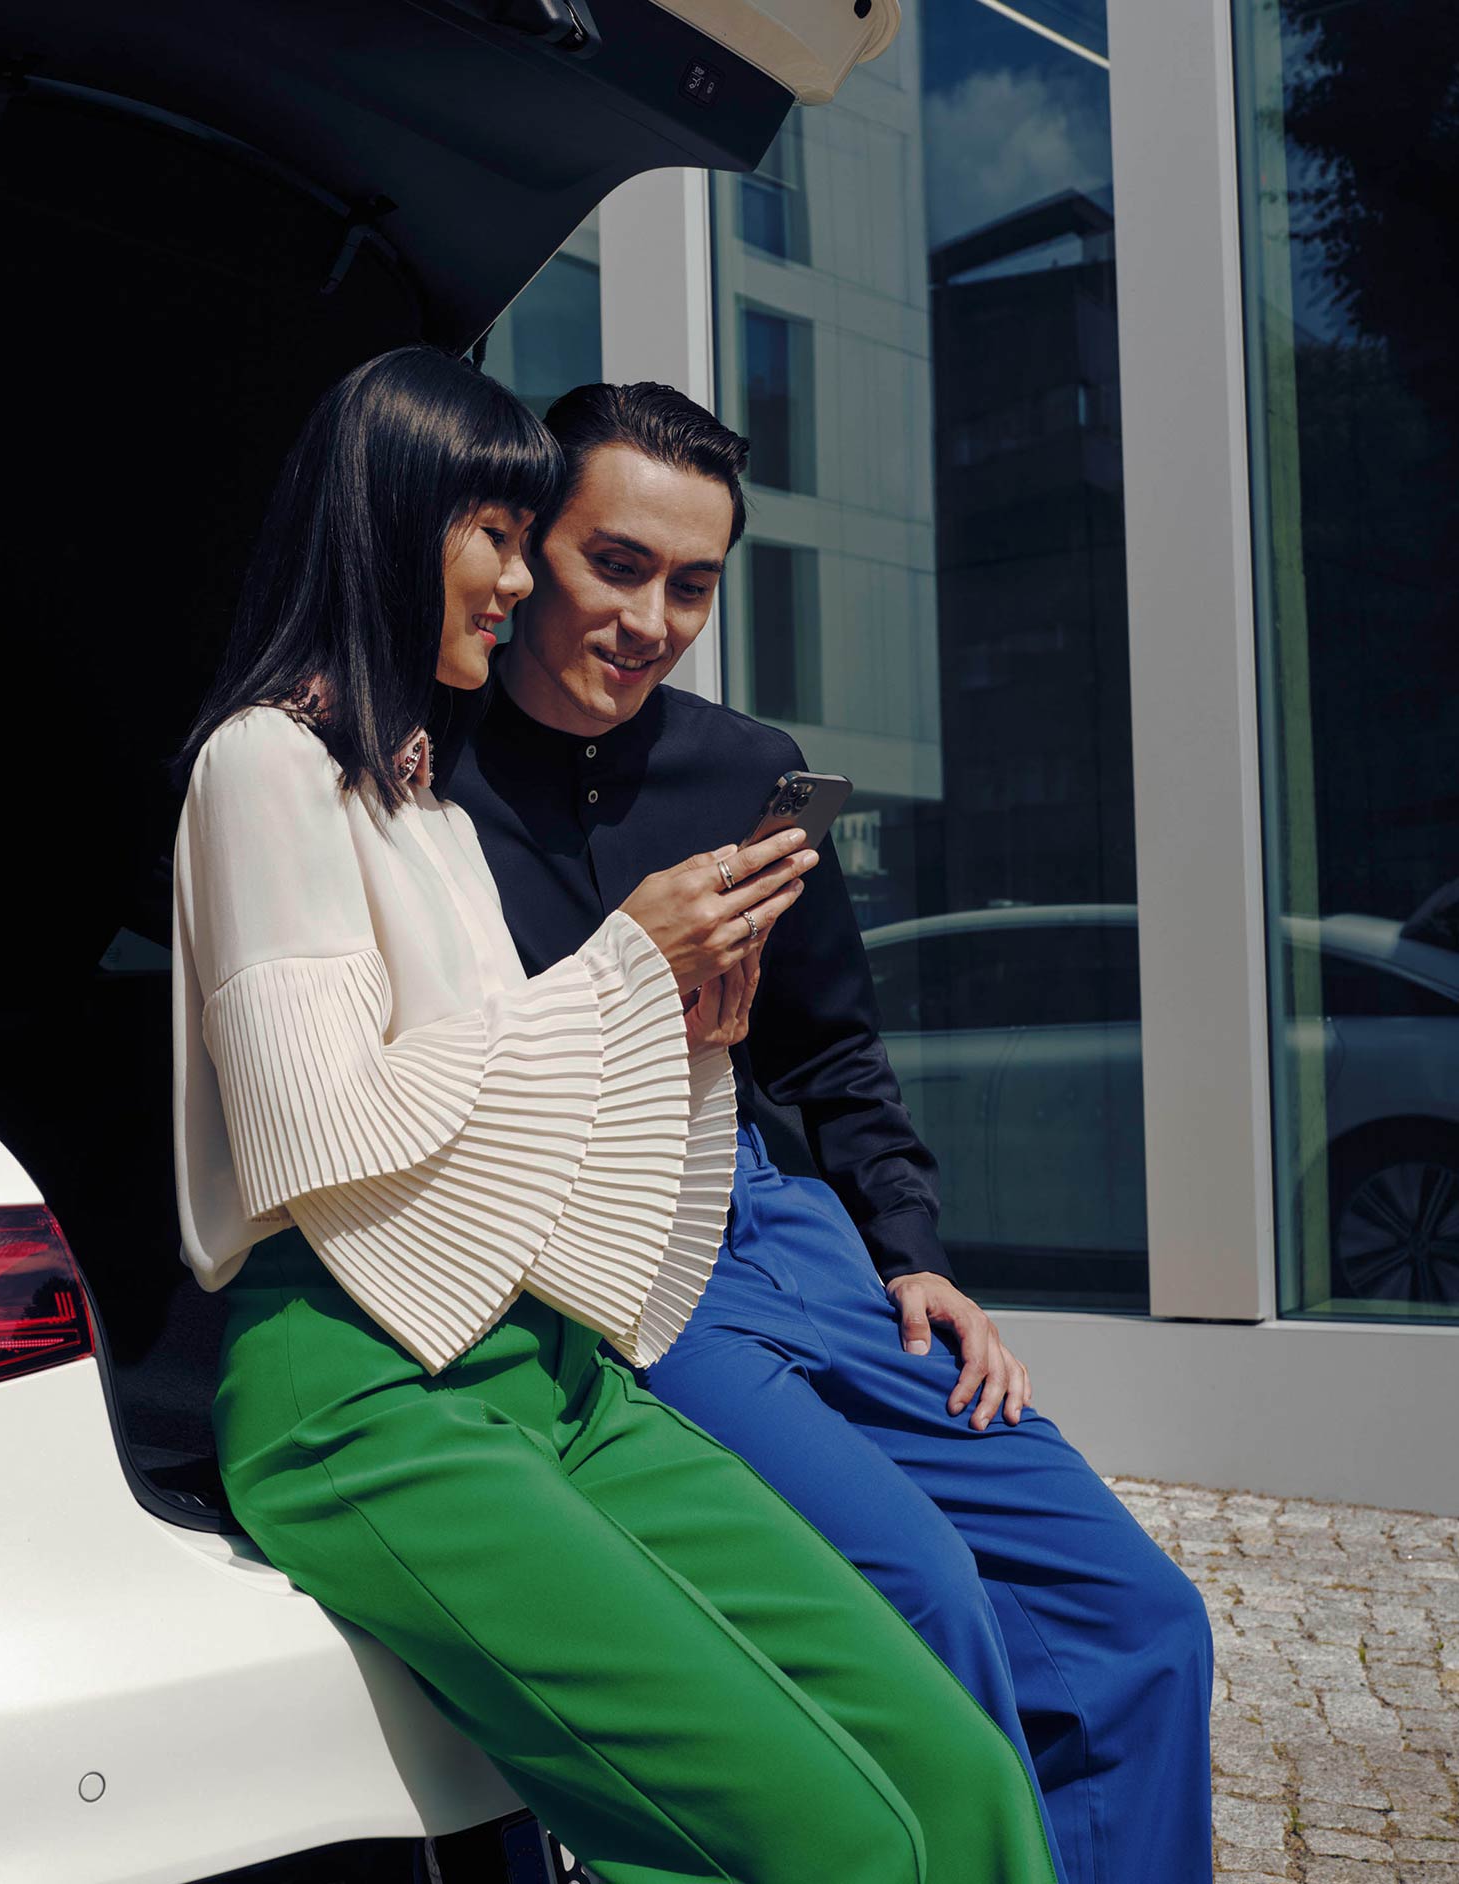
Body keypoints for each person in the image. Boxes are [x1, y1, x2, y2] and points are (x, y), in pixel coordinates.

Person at [172, 346, 1060, 1883]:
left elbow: (538, 1159)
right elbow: (321, 1134)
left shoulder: (422, 806)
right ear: (396, 521)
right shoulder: (265, 765)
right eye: (498, 535)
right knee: (840, 1837)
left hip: (553, 1370)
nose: (521, 582)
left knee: (963, 1775)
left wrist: (694, 1037)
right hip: (359, 1396)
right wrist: (620, 967)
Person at [441, 379, 1215, 1884]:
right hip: (609, 1264)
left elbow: (833, 1045)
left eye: (692, 586)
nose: (651, 622)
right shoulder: (421, 777)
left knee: (1140, 1620)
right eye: (617, 565)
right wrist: (629, 961)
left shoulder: (745, 771)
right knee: (921, 1598)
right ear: (526, 545)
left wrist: (910, 1252)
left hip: (791, 1232)